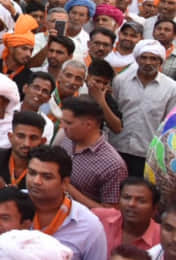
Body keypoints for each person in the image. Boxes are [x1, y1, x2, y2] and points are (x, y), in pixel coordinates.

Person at [25, 145, 107, 260]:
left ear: (64, 183)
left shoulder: (89, 226)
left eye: (47, 177)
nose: (36, 181)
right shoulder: (8, 204)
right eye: (32, 173)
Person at [110, 40, 176, 177]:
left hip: (147, 154)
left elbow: (168, 125)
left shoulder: (171, 88)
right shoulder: (121, 81)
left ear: (160, 61)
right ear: (137, 59)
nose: (148, 62)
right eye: (144, 57)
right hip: (117, 148)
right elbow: (112, 111)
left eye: (153, 58)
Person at [58, 95, 129, 208]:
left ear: (89, 124)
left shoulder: (112, 165)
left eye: (68, 123)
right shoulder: (67, 139)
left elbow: (110, 214)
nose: (62, 126)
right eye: (62, 121)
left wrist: (68, 188)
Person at [93, 177, 161, 254]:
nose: (131, 204)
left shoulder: (163, 238)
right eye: (127, 198)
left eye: (141, 201)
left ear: (154, 209)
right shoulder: (99, 217)